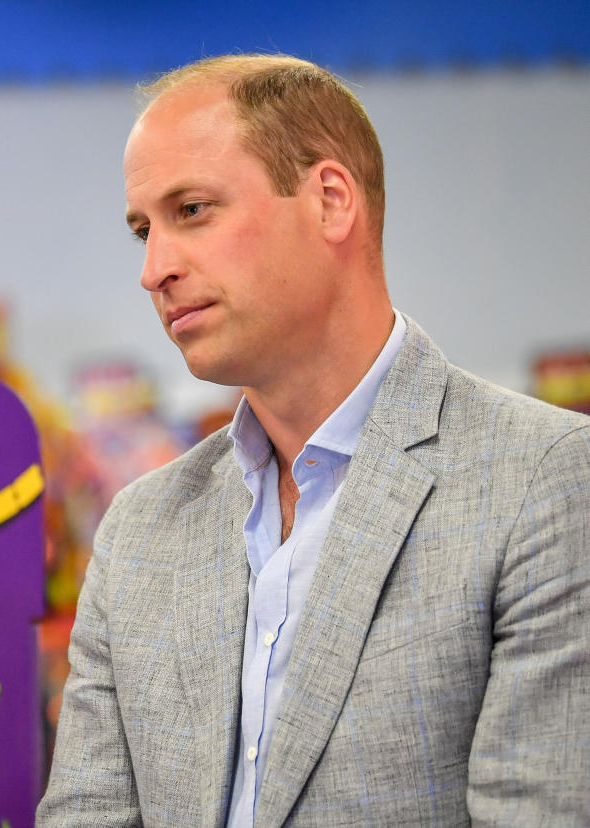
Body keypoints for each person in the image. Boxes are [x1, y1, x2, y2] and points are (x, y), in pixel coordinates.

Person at [38, 54, 590, 826]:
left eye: (192, 210)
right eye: (142, 231)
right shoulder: (138, 530)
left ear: (331, 201)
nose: (154, 269)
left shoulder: (545, 480)